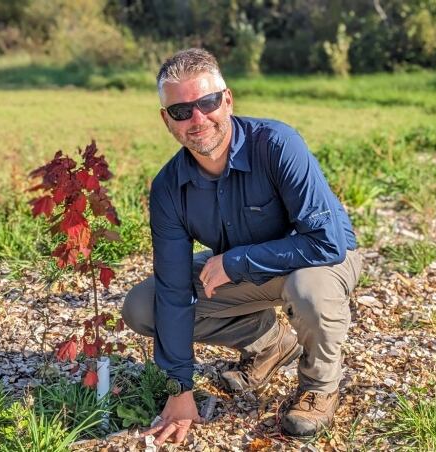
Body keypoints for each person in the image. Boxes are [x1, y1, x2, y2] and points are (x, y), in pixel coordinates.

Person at [121, 48, 362, 447]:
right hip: (245, 269)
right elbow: (173, 289)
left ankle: (320, 386)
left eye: (208, 102)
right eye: (181, 111)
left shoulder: (277, 144)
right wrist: (180, 390)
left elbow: (327, 242)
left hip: (319, 258)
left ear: (227, 100)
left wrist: (236, 262)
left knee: (310, 291)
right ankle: (269, 343)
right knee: (143, 306)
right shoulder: (168, 187)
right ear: (167, 120)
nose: (198, 119)